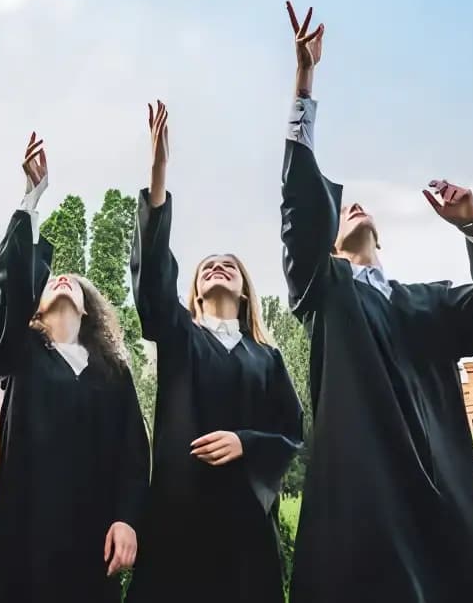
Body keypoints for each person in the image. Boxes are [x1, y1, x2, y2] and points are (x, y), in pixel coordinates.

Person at [279, 3, 473, 603]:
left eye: (360, 207)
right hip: (362, 502)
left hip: (436, 506)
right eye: (340, 212)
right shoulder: (326, 293)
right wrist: (304, 83)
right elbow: (298, 208)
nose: (352, 207)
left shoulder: (429, 306)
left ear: (381, 232)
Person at [125, 102, 303, 603]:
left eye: (229, 265)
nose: (217, 267)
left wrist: (246, 442)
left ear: (245, 292)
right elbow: (153, 281)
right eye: (207, 266)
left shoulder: (267, 359)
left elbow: (292, 432)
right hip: (177, 522)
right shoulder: (179, 334)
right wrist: (158, 174)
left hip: (244, 532)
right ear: (195, 292)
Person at [0, 133, 150, 603]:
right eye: (52, 279)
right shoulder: (20, 354)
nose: (61, 279)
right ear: (34, 308)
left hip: (90, 547)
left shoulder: (113, 374)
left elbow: (133, 454)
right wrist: (31, 199)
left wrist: (127, 518)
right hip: (23, 540)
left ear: (88, 308)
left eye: (72, 282)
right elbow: (11, 284)